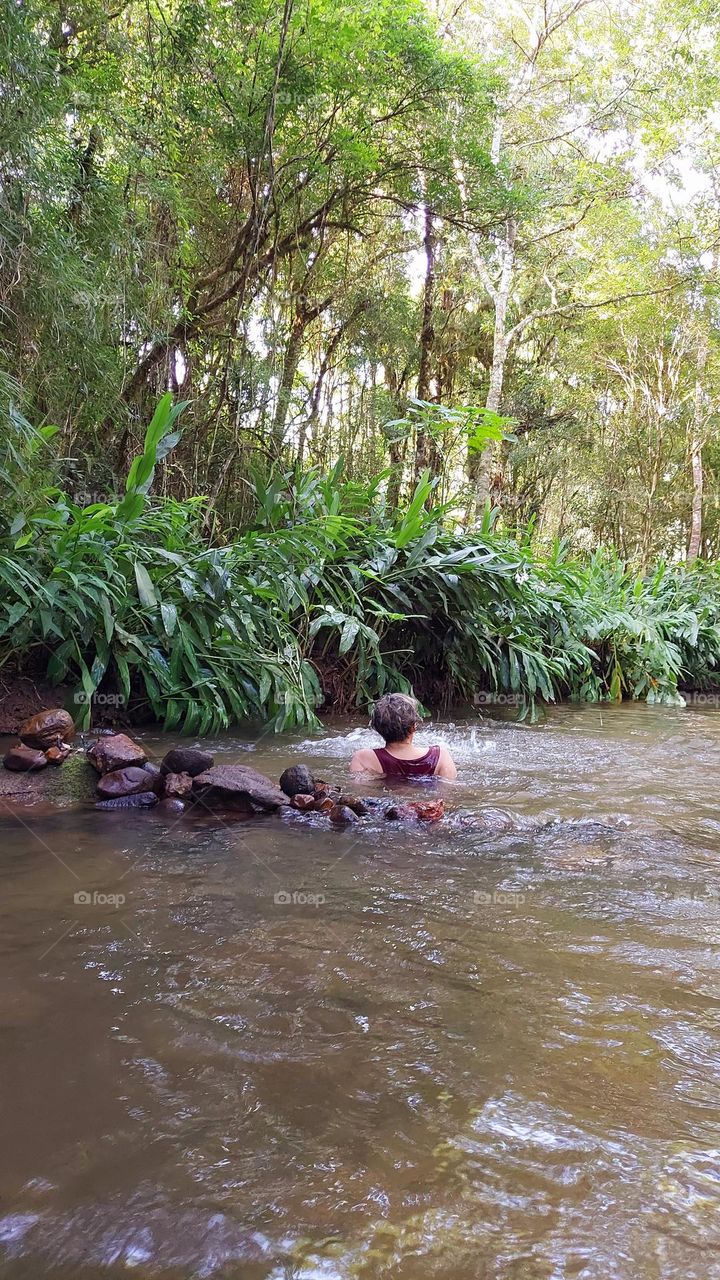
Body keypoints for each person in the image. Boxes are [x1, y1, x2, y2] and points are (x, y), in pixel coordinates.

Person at [350, 692, 457, 780]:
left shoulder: (363, 758)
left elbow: (361, 799)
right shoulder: (440, 756)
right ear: (413, 726)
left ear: (378, 728)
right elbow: (448, 797)